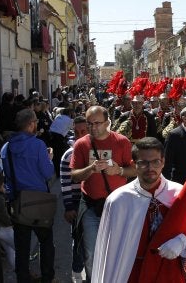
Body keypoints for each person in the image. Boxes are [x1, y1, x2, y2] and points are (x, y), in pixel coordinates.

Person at [92, 137, 186, 282]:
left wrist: (183, 242)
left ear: (163, 162)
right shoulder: (118, 200)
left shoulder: (178, 194)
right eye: (143, 163)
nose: (150, 168)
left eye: (156, 162)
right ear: (134, 164)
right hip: (131, 274)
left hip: (169, 273)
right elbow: (110, 253)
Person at [70, 106, 136, 279]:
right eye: (89, 123)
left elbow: (134, 170)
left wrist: (119, 171)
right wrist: (90, 169)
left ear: (107, 123)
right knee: (91, 253)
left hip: (117, 206)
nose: (93, 127)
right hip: (91, 206)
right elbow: (74, 176)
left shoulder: (122, 141)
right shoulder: (81, 144)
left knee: (118, 251)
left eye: (97, 123)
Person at [1, 109, 56, 283]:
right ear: (31, 123)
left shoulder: (6, 147)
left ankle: (22, 278)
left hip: (18, 201)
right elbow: (48, 173)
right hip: (39, 201)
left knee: (21, 247)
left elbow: (8, 175)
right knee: (46, 243)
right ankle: (47, 277)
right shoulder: (38, 145)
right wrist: (49, 158)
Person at [59, 116, 88, 282]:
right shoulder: (69, 155)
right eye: (77, 132)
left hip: (94, 203)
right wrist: (69, 206)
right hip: (77, 204)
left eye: (83, 131)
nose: (80, 135)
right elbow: (65, 182)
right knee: (78, 241)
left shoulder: (97, 151)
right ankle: (77, 273)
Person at [49, 107, 73, 176]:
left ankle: (57, 172)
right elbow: (73, 127)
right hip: (58, 138)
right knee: (61, 154)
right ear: (69, 114)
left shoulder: (58, 117)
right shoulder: (69, 120)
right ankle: (61, 172)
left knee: (55, 155)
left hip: (51, 136)